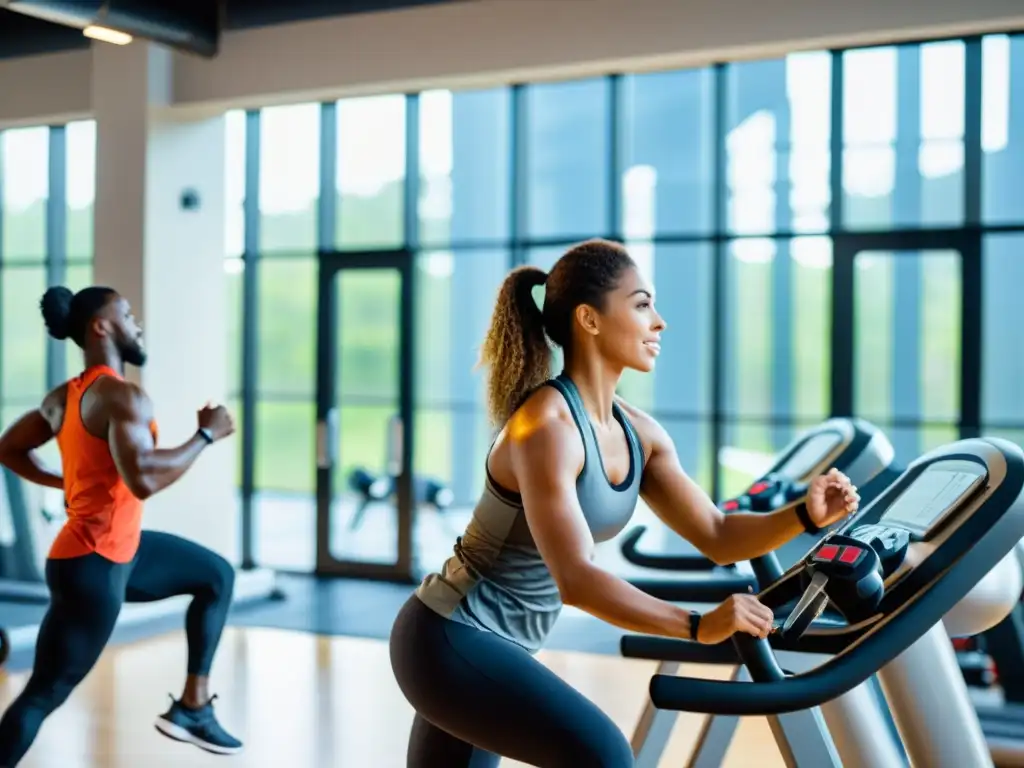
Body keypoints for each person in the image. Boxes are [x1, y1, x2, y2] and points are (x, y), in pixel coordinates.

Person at [389, 239, 860, 768]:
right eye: (641, 304)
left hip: (490, 648)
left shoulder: (639, 433)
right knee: (603, 754)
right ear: (589, 319)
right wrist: (698, 625)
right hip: (450, 637)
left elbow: (717, 533)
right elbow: (576, 579)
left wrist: (803, 514)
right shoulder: (546, 428)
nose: (659, 322)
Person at [0, 285, 243, 765]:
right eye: (127, 313)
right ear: (101, 326)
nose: (137, 321)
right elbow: (145, 477)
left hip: (114, 549)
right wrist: (205, 436)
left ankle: (193, 707)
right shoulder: (121, 395)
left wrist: (64, 482)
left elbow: (7, 447)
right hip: (94, 562)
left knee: (216, 575)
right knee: (44, 693)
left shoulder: (64, 397)